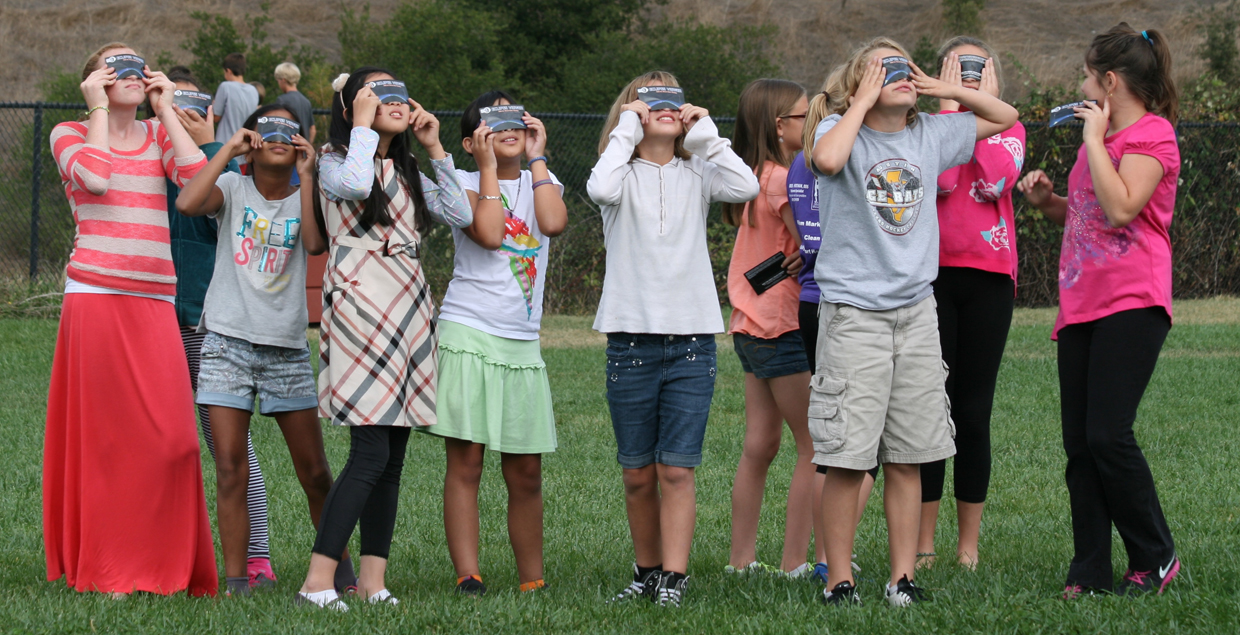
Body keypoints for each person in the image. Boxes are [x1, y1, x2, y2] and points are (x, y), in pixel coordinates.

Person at [806, 37, 1017, 607]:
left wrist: (946, 88)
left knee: (909, 454)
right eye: (885, 69)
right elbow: (825, 161)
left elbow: (1007, 117)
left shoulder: (931, 135)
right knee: (848, 457)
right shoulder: (838, 135)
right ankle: (838, 580)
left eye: (906, 68)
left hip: (916, 315)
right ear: (859, 85)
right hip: (855, 316)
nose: (901, 75)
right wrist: (859, 100)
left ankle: (902, 579)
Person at [294, 68, 472, 611]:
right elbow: (352, 185)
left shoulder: (409, 167)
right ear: (351, 108)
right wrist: (364, 123)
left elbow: (462, 214)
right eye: (379, 93)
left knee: (393, 453)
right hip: (360, 304)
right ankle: (317, 581)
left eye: (400, 92)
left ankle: (373, 581)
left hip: (409, 306)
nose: (395, 100)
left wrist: (435, 145)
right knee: (369, 449)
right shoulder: (332, 160)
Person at [44, 42, 217, 597]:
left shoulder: (159, 135)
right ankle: (112, 568)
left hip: (156, 300)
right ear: (92, 80)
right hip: (93, 294)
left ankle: (160, 559)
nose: (130, 73)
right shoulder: (68, 133)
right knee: (107, 443)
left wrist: (166, 110)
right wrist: (97, 110)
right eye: (114, 66)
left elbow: (200, 185)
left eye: (137, 65)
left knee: (175, 442)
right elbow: (94, 179)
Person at [1017, 23, 1182, 598]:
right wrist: (1050, 203)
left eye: (1088, 77)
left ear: (1109, 82)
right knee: (1081, 447)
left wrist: (1093, 138)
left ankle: (1155, 557)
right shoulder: (1107, 138)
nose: (1083, 87)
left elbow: (1121, 208)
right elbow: (1088, 213)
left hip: (1133, 301)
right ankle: (1089, 571)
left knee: (1109, 436)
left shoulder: (1153, 136)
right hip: (1081, 304)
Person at [588, 70, 760, 607]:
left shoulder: (700, 172)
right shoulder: (618, 175)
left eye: (674, 99)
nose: (665, 106)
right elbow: (598, 187)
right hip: (630, 343)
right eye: (650, 99)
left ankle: (675, 581)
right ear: (631, 111)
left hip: (691, 342)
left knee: (676, 469)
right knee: (638, 472)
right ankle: (646, 571)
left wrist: (704, 130)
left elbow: (746, 186)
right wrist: (626, 130)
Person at [176, 103, 353, 597]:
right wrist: (227, 150)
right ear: (253, 139)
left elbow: (315, 245)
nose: (280, 135)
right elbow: (189, 203)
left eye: (290, 130)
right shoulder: (232, 188)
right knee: (230, 466)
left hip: (285, 349)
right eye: (268, 128)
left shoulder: (302, 195)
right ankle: (237, 585)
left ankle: (341, 575)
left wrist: (309, 174)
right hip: (226, 343)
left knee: (316, 472)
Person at [430, 90, 568, 596]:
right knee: (466, 462)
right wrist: (488, 166)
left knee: (526, 470)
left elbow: (552, 223)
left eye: (515, 117)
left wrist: (538, 157)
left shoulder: (542, 180)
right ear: (470, 141)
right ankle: (469, 575)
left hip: (522, 343)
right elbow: (488, 234)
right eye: (491, 122)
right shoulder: (462, 182)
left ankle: (533, 578)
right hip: (469, 331)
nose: (507, 125)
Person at [163, 68, 280, 590]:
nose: (188, 112)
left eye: (198, 105)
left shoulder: (230, 169)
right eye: (175, 104)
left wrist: (210, 141)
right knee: (162, 441)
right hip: (152, 318)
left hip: (206, 323)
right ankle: (164, 553)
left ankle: (255, 559)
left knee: (228, 445)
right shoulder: (153, 160)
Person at [916, 36, 1026, 570]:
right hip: (931, 277)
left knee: (973, 412)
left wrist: (980, 109)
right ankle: (925, 543)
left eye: (977, 68)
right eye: (957, 68)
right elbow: (938, 180)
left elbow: (995, 179)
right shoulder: (926, 126)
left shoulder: (1011, 127)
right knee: (932, 409)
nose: (968, 75)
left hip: (988, 279)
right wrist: (948, 108)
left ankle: (968, 546)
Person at [721, 78, 816, 578]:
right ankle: (795, 562)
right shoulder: (782, 179)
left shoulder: (746, 176)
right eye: (805, 116)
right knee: (813, 445)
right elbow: (808, 244)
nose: (814, 122)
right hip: (782, 323)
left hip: (747, 325)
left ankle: (742, 559)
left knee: (759, 444)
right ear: (781, 127)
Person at [213, 52, 259, 142]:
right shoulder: (253, 90)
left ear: (228, 71)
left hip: (226, 142)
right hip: (244, 143)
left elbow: (216, 117)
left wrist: (212, 107)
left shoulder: (225, 86)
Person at [275, 62, 317, 143]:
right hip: (303, 150)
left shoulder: (282, 100)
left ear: (283, 80)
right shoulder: (306, 101)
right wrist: (308, 146)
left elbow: (278, 127)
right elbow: (312, 129)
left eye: (278, 80)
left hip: (289, 147)